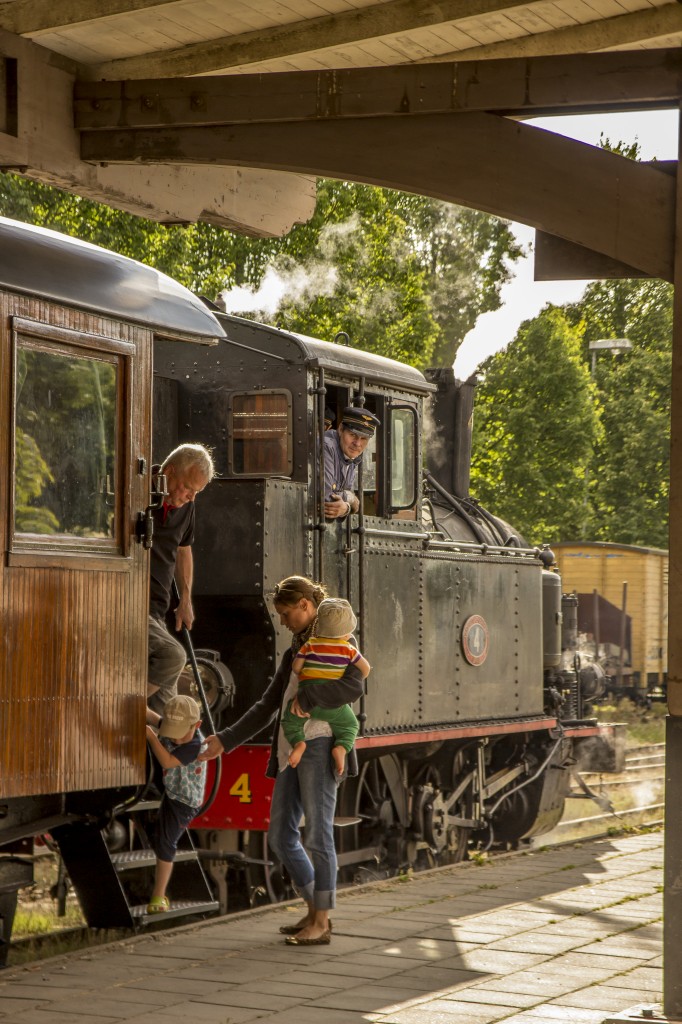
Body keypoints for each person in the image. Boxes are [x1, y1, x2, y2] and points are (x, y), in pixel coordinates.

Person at [199, 575, 365, 946]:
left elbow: (355, 686)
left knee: (318, 835)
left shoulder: (341, 642)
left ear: (306, 606)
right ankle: (314, 908)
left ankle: (321, 922)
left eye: (287, 613)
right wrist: (225, 740)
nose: (283, 621)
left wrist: (308, 701)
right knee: (279, 836)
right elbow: (267, 705)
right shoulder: (296, 652)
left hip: (320, 745)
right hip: (290, 750)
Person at [147, 443, 215, 715]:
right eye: (187, 488)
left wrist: (185, 598)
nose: (190, 497)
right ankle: (125, 705)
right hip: (131, 603)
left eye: (196, 492)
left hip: (157, 609)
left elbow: (183, 549)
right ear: (169, 472)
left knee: (169, 709)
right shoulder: (138, 487)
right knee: (174, 656)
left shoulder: (187, 508)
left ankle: (171, 752)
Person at [283, 598, 370, 776]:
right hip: (333, 706)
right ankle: (341, 748)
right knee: (351, 725)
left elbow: (296, 667)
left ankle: (299, 744)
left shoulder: (310, 644)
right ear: (346, 633)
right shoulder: (348, 649)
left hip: (305, 705)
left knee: (290, 721)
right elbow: (365, 669)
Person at [145, 694, 207, 913]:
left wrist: (152, 738)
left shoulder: (195, 744)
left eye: (180, 735)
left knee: (166, 842)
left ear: (196, 725)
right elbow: (152, 717)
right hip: (172, 792)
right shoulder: (176, 728)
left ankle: (159, 897)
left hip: (184, 801)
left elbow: (168, 761)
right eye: (172, 733)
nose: (176, 740)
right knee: (160, 837)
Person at [323, 406, 380, 520]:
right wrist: (351, 499)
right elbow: (327, 501)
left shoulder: (352, 457)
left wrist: (347, 507)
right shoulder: (326, 446)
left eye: (364, 439)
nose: (357, 444)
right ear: (340, 429)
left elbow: (352, 504)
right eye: (353, 435)